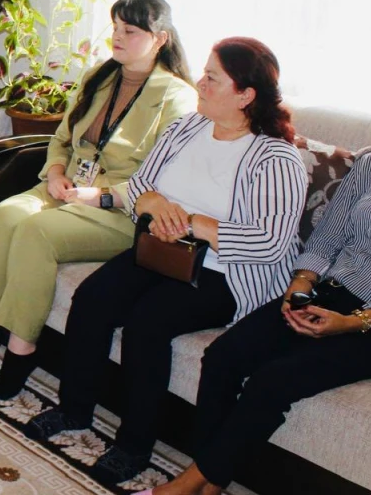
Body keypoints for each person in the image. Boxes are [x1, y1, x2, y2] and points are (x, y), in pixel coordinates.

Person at [22, 38, 307, 488]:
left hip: (226, 274)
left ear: (245, 95)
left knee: (148, 323)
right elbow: (139, 187)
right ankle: (74, 409)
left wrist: (195, 223)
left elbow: (270, 243)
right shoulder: (188, 127)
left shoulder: (275, 157)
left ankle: (134, 446)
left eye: (212, 78)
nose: (200, 83)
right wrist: (154, 204)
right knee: (94, 297)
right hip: (160, 250)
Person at [142, 58, 371, 495]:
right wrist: (300, 284)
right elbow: (329, 235)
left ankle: (186, 486)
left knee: (273, 381)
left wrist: (354, 321)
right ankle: (211, 484)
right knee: (223, 356)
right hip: (326, 291)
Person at [0, 0, 197, 399]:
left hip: (119, 209)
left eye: (130, 30)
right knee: (4, 216)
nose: (117, 36)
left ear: (160, 39)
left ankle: (21, 351)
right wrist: (56, 173)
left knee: (36, 232)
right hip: (66, 187)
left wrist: (100, 196)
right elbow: (61, 139)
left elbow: (164, 176)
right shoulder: (98, 77)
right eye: (116, 27)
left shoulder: (177, 96)